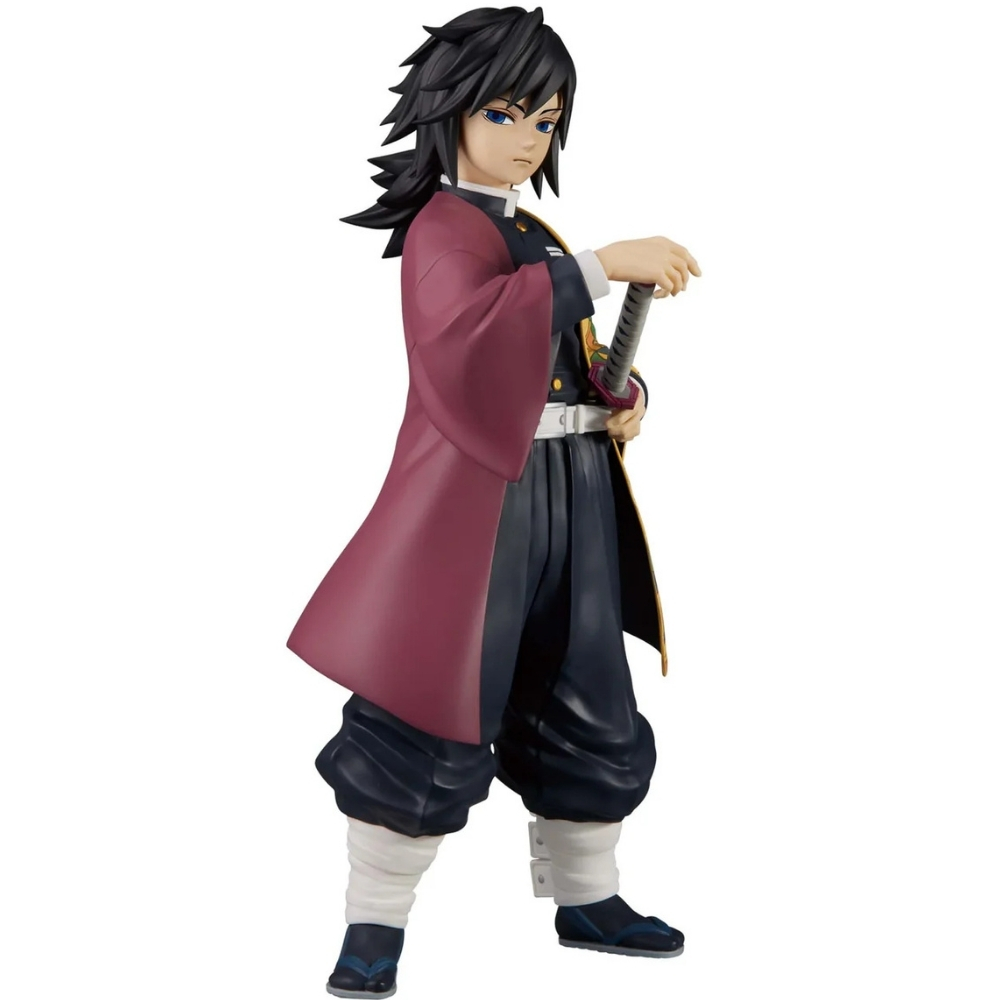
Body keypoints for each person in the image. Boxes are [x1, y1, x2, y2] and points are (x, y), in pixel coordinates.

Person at [286, 7, 701, 997]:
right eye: (506, 114)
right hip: (475, 514)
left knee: (585, 686)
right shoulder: (442, 230)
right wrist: (602, 265)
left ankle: (588, 894)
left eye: (545, 120)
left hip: (569, 495)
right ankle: (374, 923)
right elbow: (463, 348)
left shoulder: (527, 230)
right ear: (453, 111)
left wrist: (621, 397)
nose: (527, 140)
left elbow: (570, 359)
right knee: (427, 702)